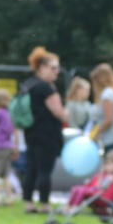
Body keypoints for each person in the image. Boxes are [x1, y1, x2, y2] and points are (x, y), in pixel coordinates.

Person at [20, 46, 68, 213]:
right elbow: (59, 112)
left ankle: (28, 202)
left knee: (31, 168)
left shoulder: (28, 84)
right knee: (45, 170)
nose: (57, 71)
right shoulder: (47, 87)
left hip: (30, 133)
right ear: (42, 67)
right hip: (47, 134)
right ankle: (45, 204)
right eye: (53, 67)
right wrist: (69, 116)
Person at [66, 148, 113, 213]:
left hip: (105, 199)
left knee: (82, 190)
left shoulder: (112, 177)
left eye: (109, 164)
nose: (106, 166)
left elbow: (101, 187)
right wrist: (101, 174)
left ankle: (75, 207)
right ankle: (68, 206)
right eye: (106, 164)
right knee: (76, 188)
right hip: (98, 195)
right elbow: (98, 185)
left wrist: (108, 181)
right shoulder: (105, 175)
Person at [89, 63, 113, 154]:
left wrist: (93, 134)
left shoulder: (107, 94)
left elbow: (108, 119)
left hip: (111, 139)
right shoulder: (112, 92)